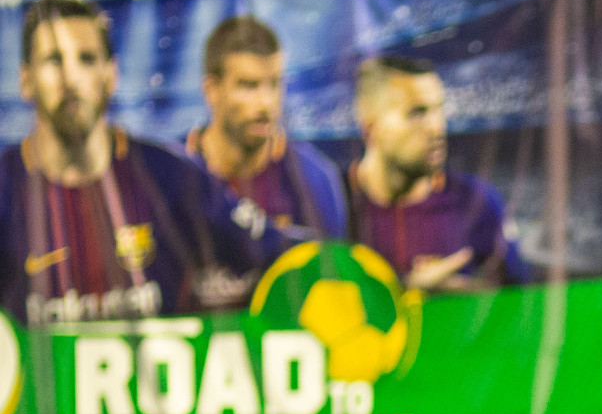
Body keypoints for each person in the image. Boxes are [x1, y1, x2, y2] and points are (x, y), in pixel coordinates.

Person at [0, 0, 292, 325]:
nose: (71, 78)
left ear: (111, 75)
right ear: (25, 80)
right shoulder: (6, 188)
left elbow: (274, 248)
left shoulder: (170, 174)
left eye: (86, 59)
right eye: (54, 60)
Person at [347, 56, 527, 291]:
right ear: (371, 127)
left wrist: (466, 299)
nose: (437, 127)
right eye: (417, 113)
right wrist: (408, 290)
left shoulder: (477, 202)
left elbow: (521, 302)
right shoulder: (330, 203)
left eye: (438, 109)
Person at [187, 17, 347, 240]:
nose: (266, 103)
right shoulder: (174, 172)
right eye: (249, 85)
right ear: (211, 90)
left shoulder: (315, 179)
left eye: (274, 84)